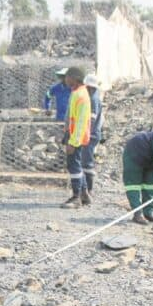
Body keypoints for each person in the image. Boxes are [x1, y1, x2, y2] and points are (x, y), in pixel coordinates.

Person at [61, 66, 92, 209]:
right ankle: (84, 195)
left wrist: (73, 142)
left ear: (74, 78)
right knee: (77, 164)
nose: (65, 79)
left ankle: (76, 197)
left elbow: (80, 122)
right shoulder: (77, 93)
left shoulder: (80, 95)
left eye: (67, 76)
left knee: (73, 166)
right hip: (74, 135)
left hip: (76, 137)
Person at [81, 74, 103, 198]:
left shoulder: (93, 99)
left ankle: (89, 189)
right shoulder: (92, 97)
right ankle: (86, 189)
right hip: (90, 134)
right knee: (85, 162)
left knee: (87, 163)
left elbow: (92, 119)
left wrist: (85, 134)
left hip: (91, 134)